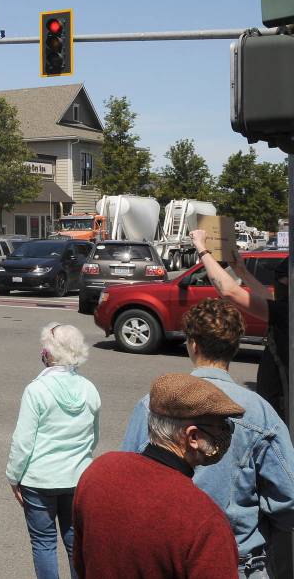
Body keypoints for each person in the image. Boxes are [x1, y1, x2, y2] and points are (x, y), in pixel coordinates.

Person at [120, 298, 294, 578]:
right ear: (234, 347)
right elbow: (288, 498)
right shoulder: (260, 412)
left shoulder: (153, 404)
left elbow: (128, 483)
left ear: (193, 344)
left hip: (166, 559)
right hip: (236, 561)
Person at [73, 373, 243, 578]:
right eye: (223, 427)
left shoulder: (98, 472)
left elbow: (81, 564)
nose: (226, 435)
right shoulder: (205, 522)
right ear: (193, 437)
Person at [6, 323, 100, 579]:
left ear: (47, 354)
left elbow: (23, 441)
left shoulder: (36, 390)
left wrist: (13, 476)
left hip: (40, 480)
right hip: (77, 478)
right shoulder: (89, 389)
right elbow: (94, 437)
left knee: (44, 543)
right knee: (74, 543)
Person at [190, 230, 288, 421]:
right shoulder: (284, 309)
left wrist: (202, 249)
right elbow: (269, 297)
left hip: (283, 411)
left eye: (283, 280)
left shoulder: (287, 312)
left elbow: (229, 291)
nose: (279, 284)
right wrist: (241, 270)